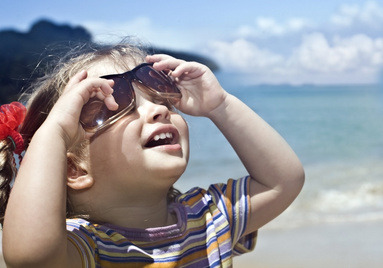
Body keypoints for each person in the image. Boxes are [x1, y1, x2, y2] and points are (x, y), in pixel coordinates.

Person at [0, 41, 304, 268]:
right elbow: (29, 256)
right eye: (119, 107)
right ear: (74, 169)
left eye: (161, 98)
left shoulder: (209, 218)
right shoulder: (86, 247)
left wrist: (220, 106)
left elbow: (283, 181)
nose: (159, 110)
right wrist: (53, 132)